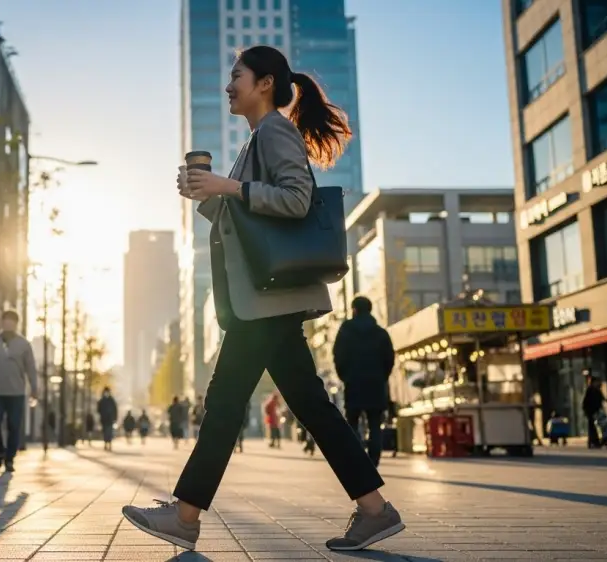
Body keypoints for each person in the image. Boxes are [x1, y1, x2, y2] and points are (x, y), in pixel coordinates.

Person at [121, 45, 403, 553]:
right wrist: (211, 195)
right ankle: (375, 510)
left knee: (226, 404)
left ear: (265, 82)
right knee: (311, 407)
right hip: (266, 301)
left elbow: (295, 200)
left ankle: (185, 517)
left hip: (265, 302)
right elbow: (251, 220)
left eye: (237, 75)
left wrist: (228, 185)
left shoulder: (274, 130)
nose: (229, 85)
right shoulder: (257, 138)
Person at [333, 296, 395, 467]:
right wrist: (382, 377)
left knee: (352, 421)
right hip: (375, 384)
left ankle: (356, 457)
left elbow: (338, 356)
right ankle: (374, 461)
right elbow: (389, 358)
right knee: (375, 423)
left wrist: (344, 376)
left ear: (354, 310)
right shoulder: (380, 333)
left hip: (353, 383)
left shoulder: (346, 330)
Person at [0, 310, 37, 472]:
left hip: (16, 392)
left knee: (14, 426)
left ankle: (9, 459)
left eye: (12, 321)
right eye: (6, 320)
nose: (8, 323)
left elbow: (31, 368)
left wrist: (34, 389)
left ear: (16, 324)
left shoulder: (24, 344)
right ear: (1, 322)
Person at [582, 372, 606, 449]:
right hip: (591, 411)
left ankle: (595, 441)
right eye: (597, 382)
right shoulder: (590, 390)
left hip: (597, 410)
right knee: (593, 427)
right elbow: (586, 402)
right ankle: (594, 441)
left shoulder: (597, 390)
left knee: (596, 426)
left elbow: (602, 399)